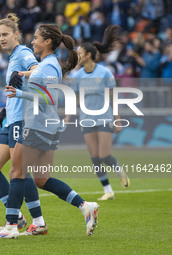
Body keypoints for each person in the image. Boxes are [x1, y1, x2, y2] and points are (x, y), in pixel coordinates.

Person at [0, 24, 99, 239]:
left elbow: (50, 99)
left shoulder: (48, 65)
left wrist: (19, 94)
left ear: (48, 41)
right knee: (40, 178)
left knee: (17, 173)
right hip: (45, 126)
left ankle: (12, 225)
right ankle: (85, 206)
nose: (32, 42)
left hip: (37, 125)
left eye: (36, 38)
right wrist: (21, 78)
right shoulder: (46, 64)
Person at [0, 13, 48, 236]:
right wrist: (3, 110)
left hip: (22, 119)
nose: (1, 38)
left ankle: (20, 221)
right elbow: (16, 87)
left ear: (15, 34)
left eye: (5, 34)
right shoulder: (11, 56)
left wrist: (23, 73)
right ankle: (24, 219)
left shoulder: (22, 52)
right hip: (11, 118)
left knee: (19, 172)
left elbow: (38, 71)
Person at [66, 25, 130, 201]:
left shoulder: (104, 73)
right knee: (94, 157)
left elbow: (113, 98)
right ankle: (108, 190)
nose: (76, 56)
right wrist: (68, 117)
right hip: (86, 120)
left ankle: (118, 170)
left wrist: (117, 120)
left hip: (104, 118)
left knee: (104, 155)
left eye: (79, 53)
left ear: (88, 55)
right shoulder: (78, 75)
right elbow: (75, 99)